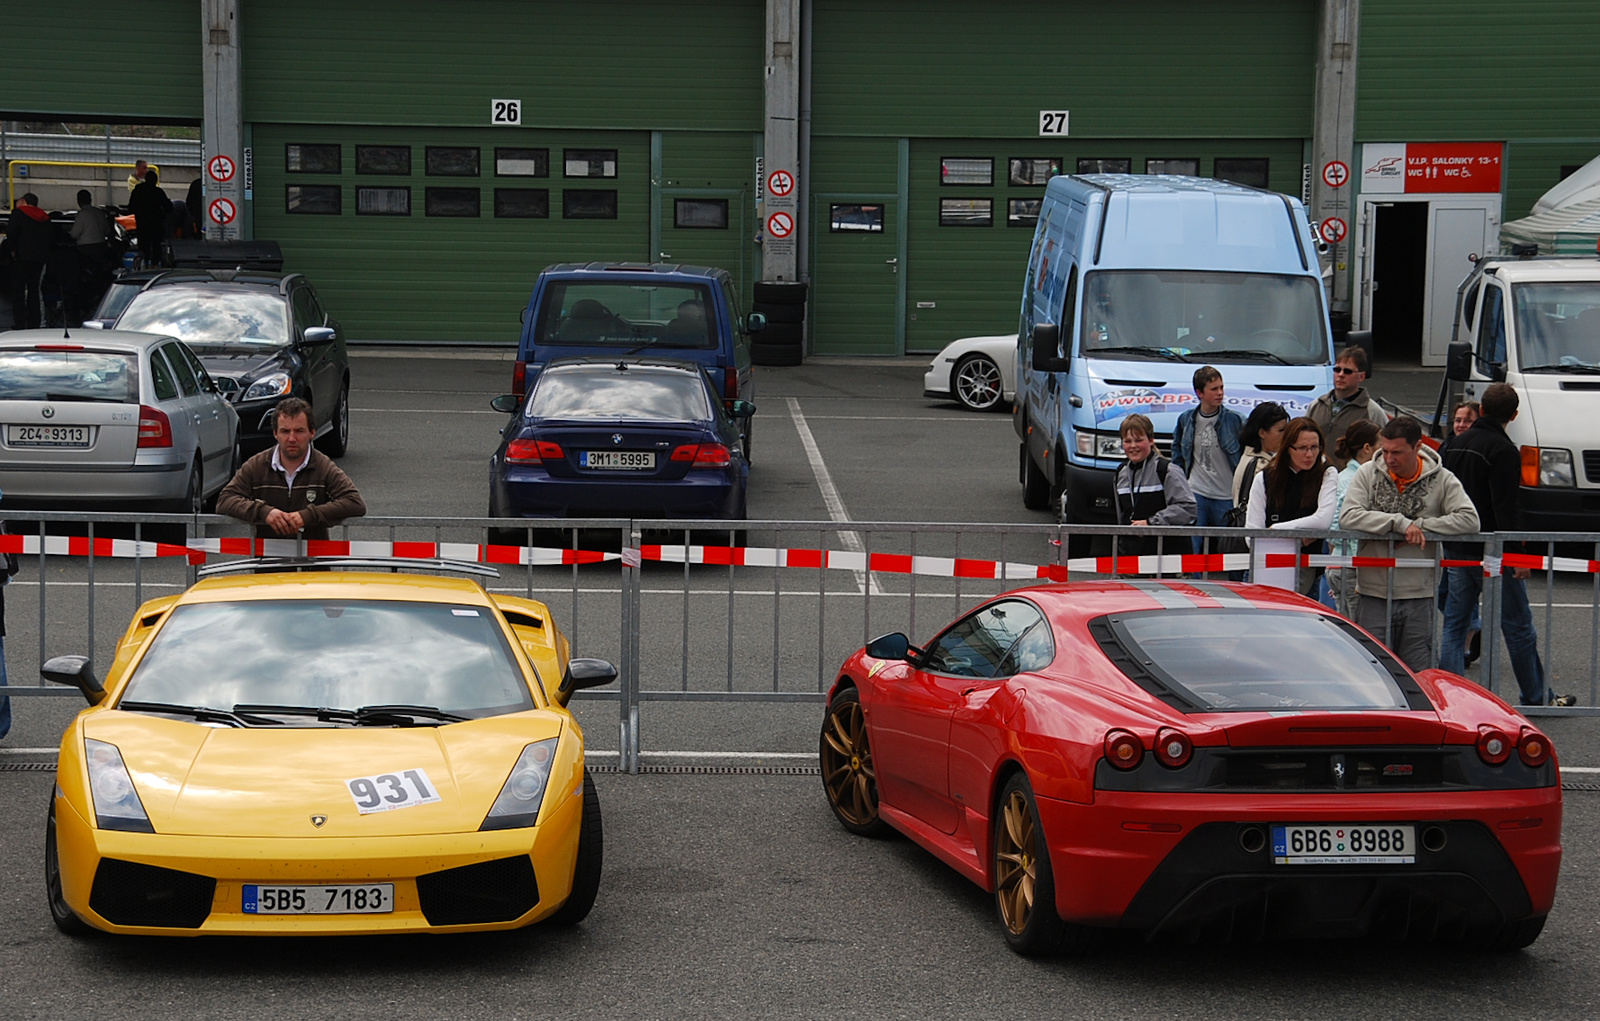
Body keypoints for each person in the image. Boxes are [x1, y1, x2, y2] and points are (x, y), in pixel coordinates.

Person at [1438, 384, 1574, 705]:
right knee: (1518, 628)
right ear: (1513, 415)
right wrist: (1517, 555)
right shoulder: (1503, 450)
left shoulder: (1454, 445)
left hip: (1458, 548)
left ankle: (1453, 698)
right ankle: (1536, 696)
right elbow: (1506, 508)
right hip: (1494, 553)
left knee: (1455, 627)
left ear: (1481, 410)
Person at [1339, 415, 1478, 672]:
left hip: (1419, 592)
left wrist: (1421, 527)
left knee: (1418, 672)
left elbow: (1470, 520)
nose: (1390, 459)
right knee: (1373, 670)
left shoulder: (1442, 478)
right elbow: (1348, 516)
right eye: (1386, 451)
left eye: (1398, 452)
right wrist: (1398, 524)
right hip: (1373, 592)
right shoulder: (1368, 473)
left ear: (1417, 447)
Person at [217, 397, 366, 540]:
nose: (292, 438)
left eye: (299, 431)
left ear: (312, 433)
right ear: (275, 433)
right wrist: (263, 512)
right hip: (269, 563)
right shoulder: (257, 465)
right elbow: (225, 500)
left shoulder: (323, 466)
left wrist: (307, 516)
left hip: (313, 563)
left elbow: (354, 502)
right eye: (285, 431)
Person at [1245, 418, 1337, 595]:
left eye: (1315, 447)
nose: (1309, 454)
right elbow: (1251, 534)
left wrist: (1276, 530)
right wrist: (1298, 538)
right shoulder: (1264, 478)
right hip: (1265, 567)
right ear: (1288, 448)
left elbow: (1323, 520)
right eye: (1302, 448)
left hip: (1307, 570)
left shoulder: (1327, 472)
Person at [1171, 365, 1244, 555]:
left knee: (1230, 550)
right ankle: (1194, 583)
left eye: (1221, 387)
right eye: (1214, 389)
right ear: (1199, 393)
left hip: (1227, 496)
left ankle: (1234, 585)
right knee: (1193, 547)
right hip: (1197, 492)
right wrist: (1181, 485)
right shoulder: (1186, 419)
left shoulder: (1236, 420)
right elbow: (1177, 452)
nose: (1220, 393)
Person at [1112, 413, 1195, 562]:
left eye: (1138, 440)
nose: (1133, 446)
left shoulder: (1167, 470)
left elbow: (1188, 508)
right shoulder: (1121, 473)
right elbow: (1122, 516)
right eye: (1127, 441)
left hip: (1167, 558)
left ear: (1151, 441)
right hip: (1131, 558)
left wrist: (1151, 523)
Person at [1326, 419, 1381, 617]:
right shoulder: (1356, 480)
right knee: (1357, 629)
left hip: (1338, 563)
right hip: (1351, 566)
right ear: (1367, 448)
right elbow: (1338, 524)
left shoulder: (1343, 476)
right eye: (1380, 448)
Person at [1309, 345, 1389, 469]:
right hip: (1315, 479)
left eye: (1347, 371)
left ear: (1361, 376)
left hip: (1353, 482)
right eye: (1337, 369)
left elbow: (1386, 451)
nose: (1340, 375)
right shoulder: (1316, 405)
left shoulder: (1372, 412)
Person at [5, 193, 54, 329]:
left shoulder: (18, 214)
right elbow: (50, 238)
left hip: (21, 258)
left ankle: (20, 323)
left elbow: (12, 233)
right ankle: (35, 322)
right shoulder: (45, 217)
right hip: (38, 260)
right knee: (34, 291)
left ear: (24, 201)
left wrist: (12, 250)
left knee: (18, 292)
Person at [68, 189, 115, 310]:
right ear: (90, 199)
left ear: (79, 201)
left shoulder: (81, 215)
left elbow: (74, 234)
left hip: (85, 251)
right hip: (101, 249)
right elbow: (107, 231)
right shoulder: (99, 213)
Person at [127, 169, 172, 268]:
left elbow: (131, 208)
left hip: (142, 223)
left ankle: (143, 264)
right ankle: (155, 265)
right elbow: (168, 207)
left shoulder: (138, 191)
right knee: (156, 245)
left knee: (143, 246)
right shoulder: (158, 192)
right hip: (156, 224)